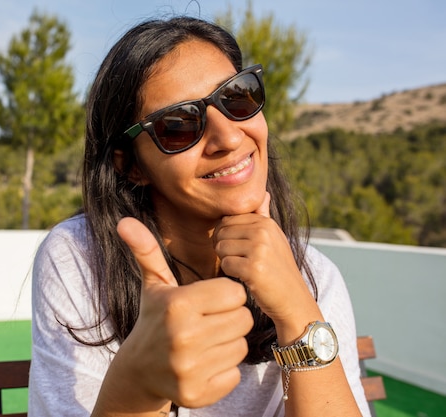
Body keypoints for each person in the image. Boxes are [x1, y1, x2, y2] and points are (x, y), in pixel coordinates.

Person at [29, 15, 370, 417]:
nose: (228, 137)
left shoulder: (314, 274)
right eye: (178, 125)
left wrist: (297, 311)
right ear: (131, 165)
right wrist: (137, 386)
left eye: (237, 97)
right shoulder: (80, 261)